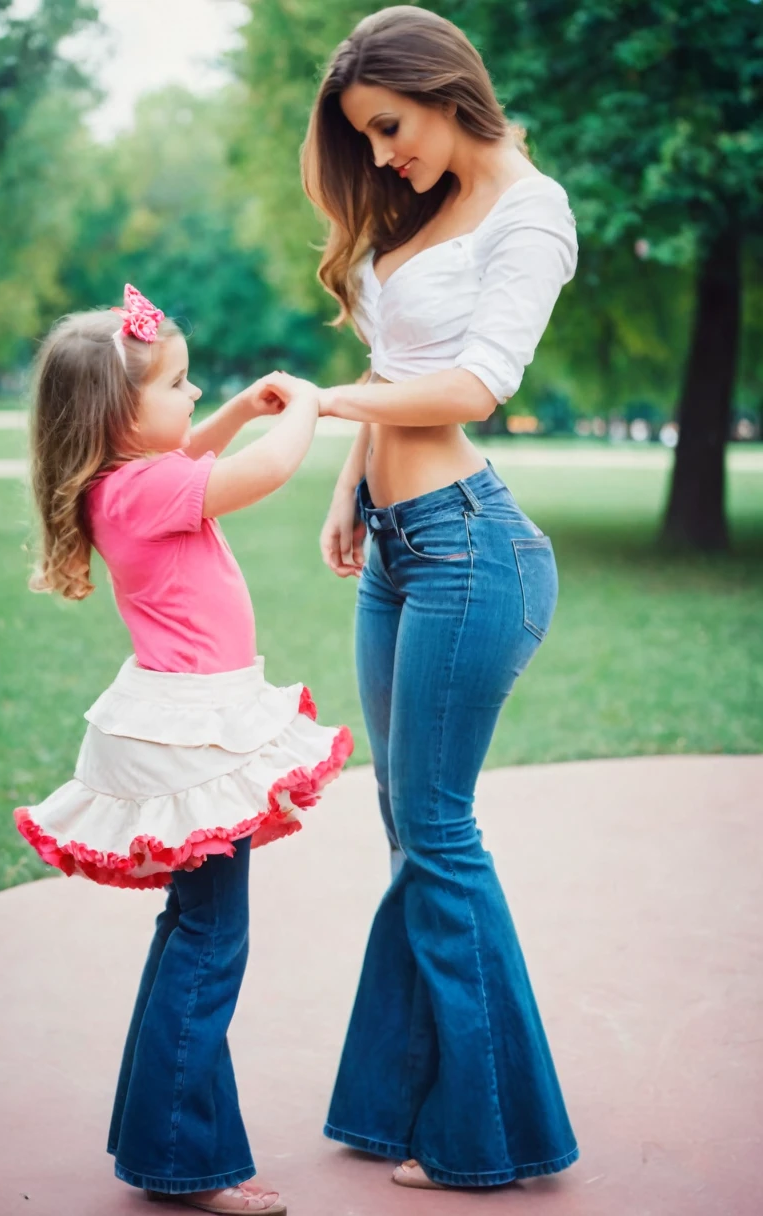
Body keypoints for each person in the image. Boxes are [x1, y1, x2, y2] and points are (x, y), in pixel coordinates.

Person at [286, 3, 580, 1193]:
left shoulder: (530, 210)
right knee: (412, 832)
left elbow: (473, 384)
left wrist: (324, 408)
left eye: (389, 127)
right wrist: (350, 488)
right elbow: (392, 370)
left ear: (447, 91)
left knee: (440, 833)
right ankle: (400, 1104)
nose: (381, 156)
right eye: (363, 137)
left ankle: (486, 1132)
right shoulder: (423, 205)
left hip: (472, 550)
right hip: (403, 546)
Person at [14, 285, 353, 1215]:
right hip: (193, 736)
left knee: (192, 938)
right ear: (121, 414)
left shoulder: (120, 484)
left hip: (190, 724)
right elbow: (263, 474)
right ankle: (183, 1159)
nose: (196, 394)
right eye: (179, 382)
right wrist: (309, 411)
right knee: (210, 944)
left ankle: (163, 1139)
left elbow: (193, 453)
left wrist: (241, 406)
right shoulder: (147, 489)